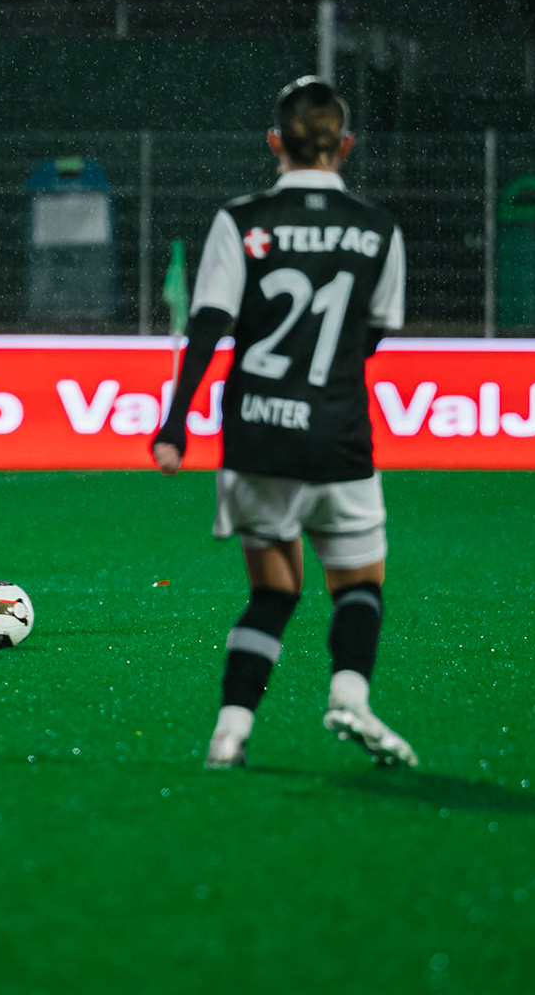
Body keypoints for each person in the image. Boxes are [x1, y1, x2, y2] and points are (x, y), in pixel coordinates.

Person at [152, 77, 418, 769]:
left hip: (258, 435)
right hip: (339, 435)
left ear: (275, 141)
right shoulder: (379, 229)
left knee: (273, 592)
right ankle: (350, 695)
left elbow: (207, 326)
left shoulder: (241, 221)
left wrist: (174, 426)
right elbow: (374, 336)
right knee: (357, 585)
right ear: (347, 146)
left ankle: (230, 733)